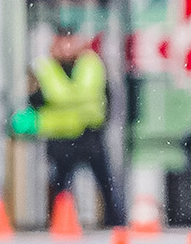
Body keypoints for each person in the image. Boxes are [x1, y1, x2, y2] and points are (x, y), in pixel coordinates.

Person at [30, 22, 123, 229]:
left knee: (104, 181)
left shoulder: (91, 64)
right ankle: (59, 221)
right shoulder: (46, 68)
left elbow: (106, 95)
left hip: (90, 134)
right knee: (61, 184)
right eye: (63, 42)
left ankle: (114, 221)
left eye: (71, 41)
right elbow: (35, 99)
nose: (67, 47)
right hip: (61, 136)